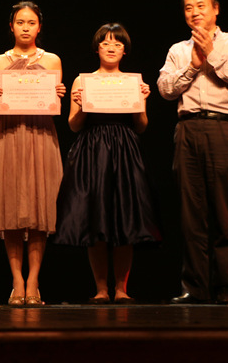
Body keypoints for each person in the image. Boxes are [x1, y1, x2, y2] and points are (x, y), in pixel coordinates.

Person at [157, 0, 228, 305]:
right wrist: (192, 65)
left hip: (223, 127)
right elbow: (165, 88)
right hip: (188, 129)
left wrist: (212, 54)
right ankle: (195, 287)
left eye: (200, 6)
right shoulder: (178, 49)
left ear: (216, 9)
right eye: (188, 8)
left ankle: (227, 288)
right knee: (191, 214)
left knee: (225, 213)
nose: (194, 12)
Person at [52, 23, 162, 304]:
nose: (111, 48)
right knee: (95, 217)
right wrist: (80, 104)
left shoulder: (134, 82)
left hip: (125, 149)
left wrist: (141, 100)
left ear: (125, 51)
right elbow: (74, 125)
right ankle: (101, 289)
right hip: (92, 149)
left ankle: (122, 289)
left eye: (117, 43)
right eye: (105, 43)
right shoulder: (82, 81)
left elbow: (141, 126)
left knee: (126, 218)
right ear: (97, 48)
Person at [0, 1, 66, 307]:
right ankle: (17, 281)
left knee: (39, 210)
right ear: (11, 26)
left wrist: (57, 96)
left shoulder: (52, 60)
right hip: (8, 135)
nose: (25, 27)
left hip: (40, 136)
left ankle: (34, 282)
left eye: (31, 22)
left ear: (39, 27)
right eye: (20, 22)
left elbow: (54, 109)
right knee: (12, 209)